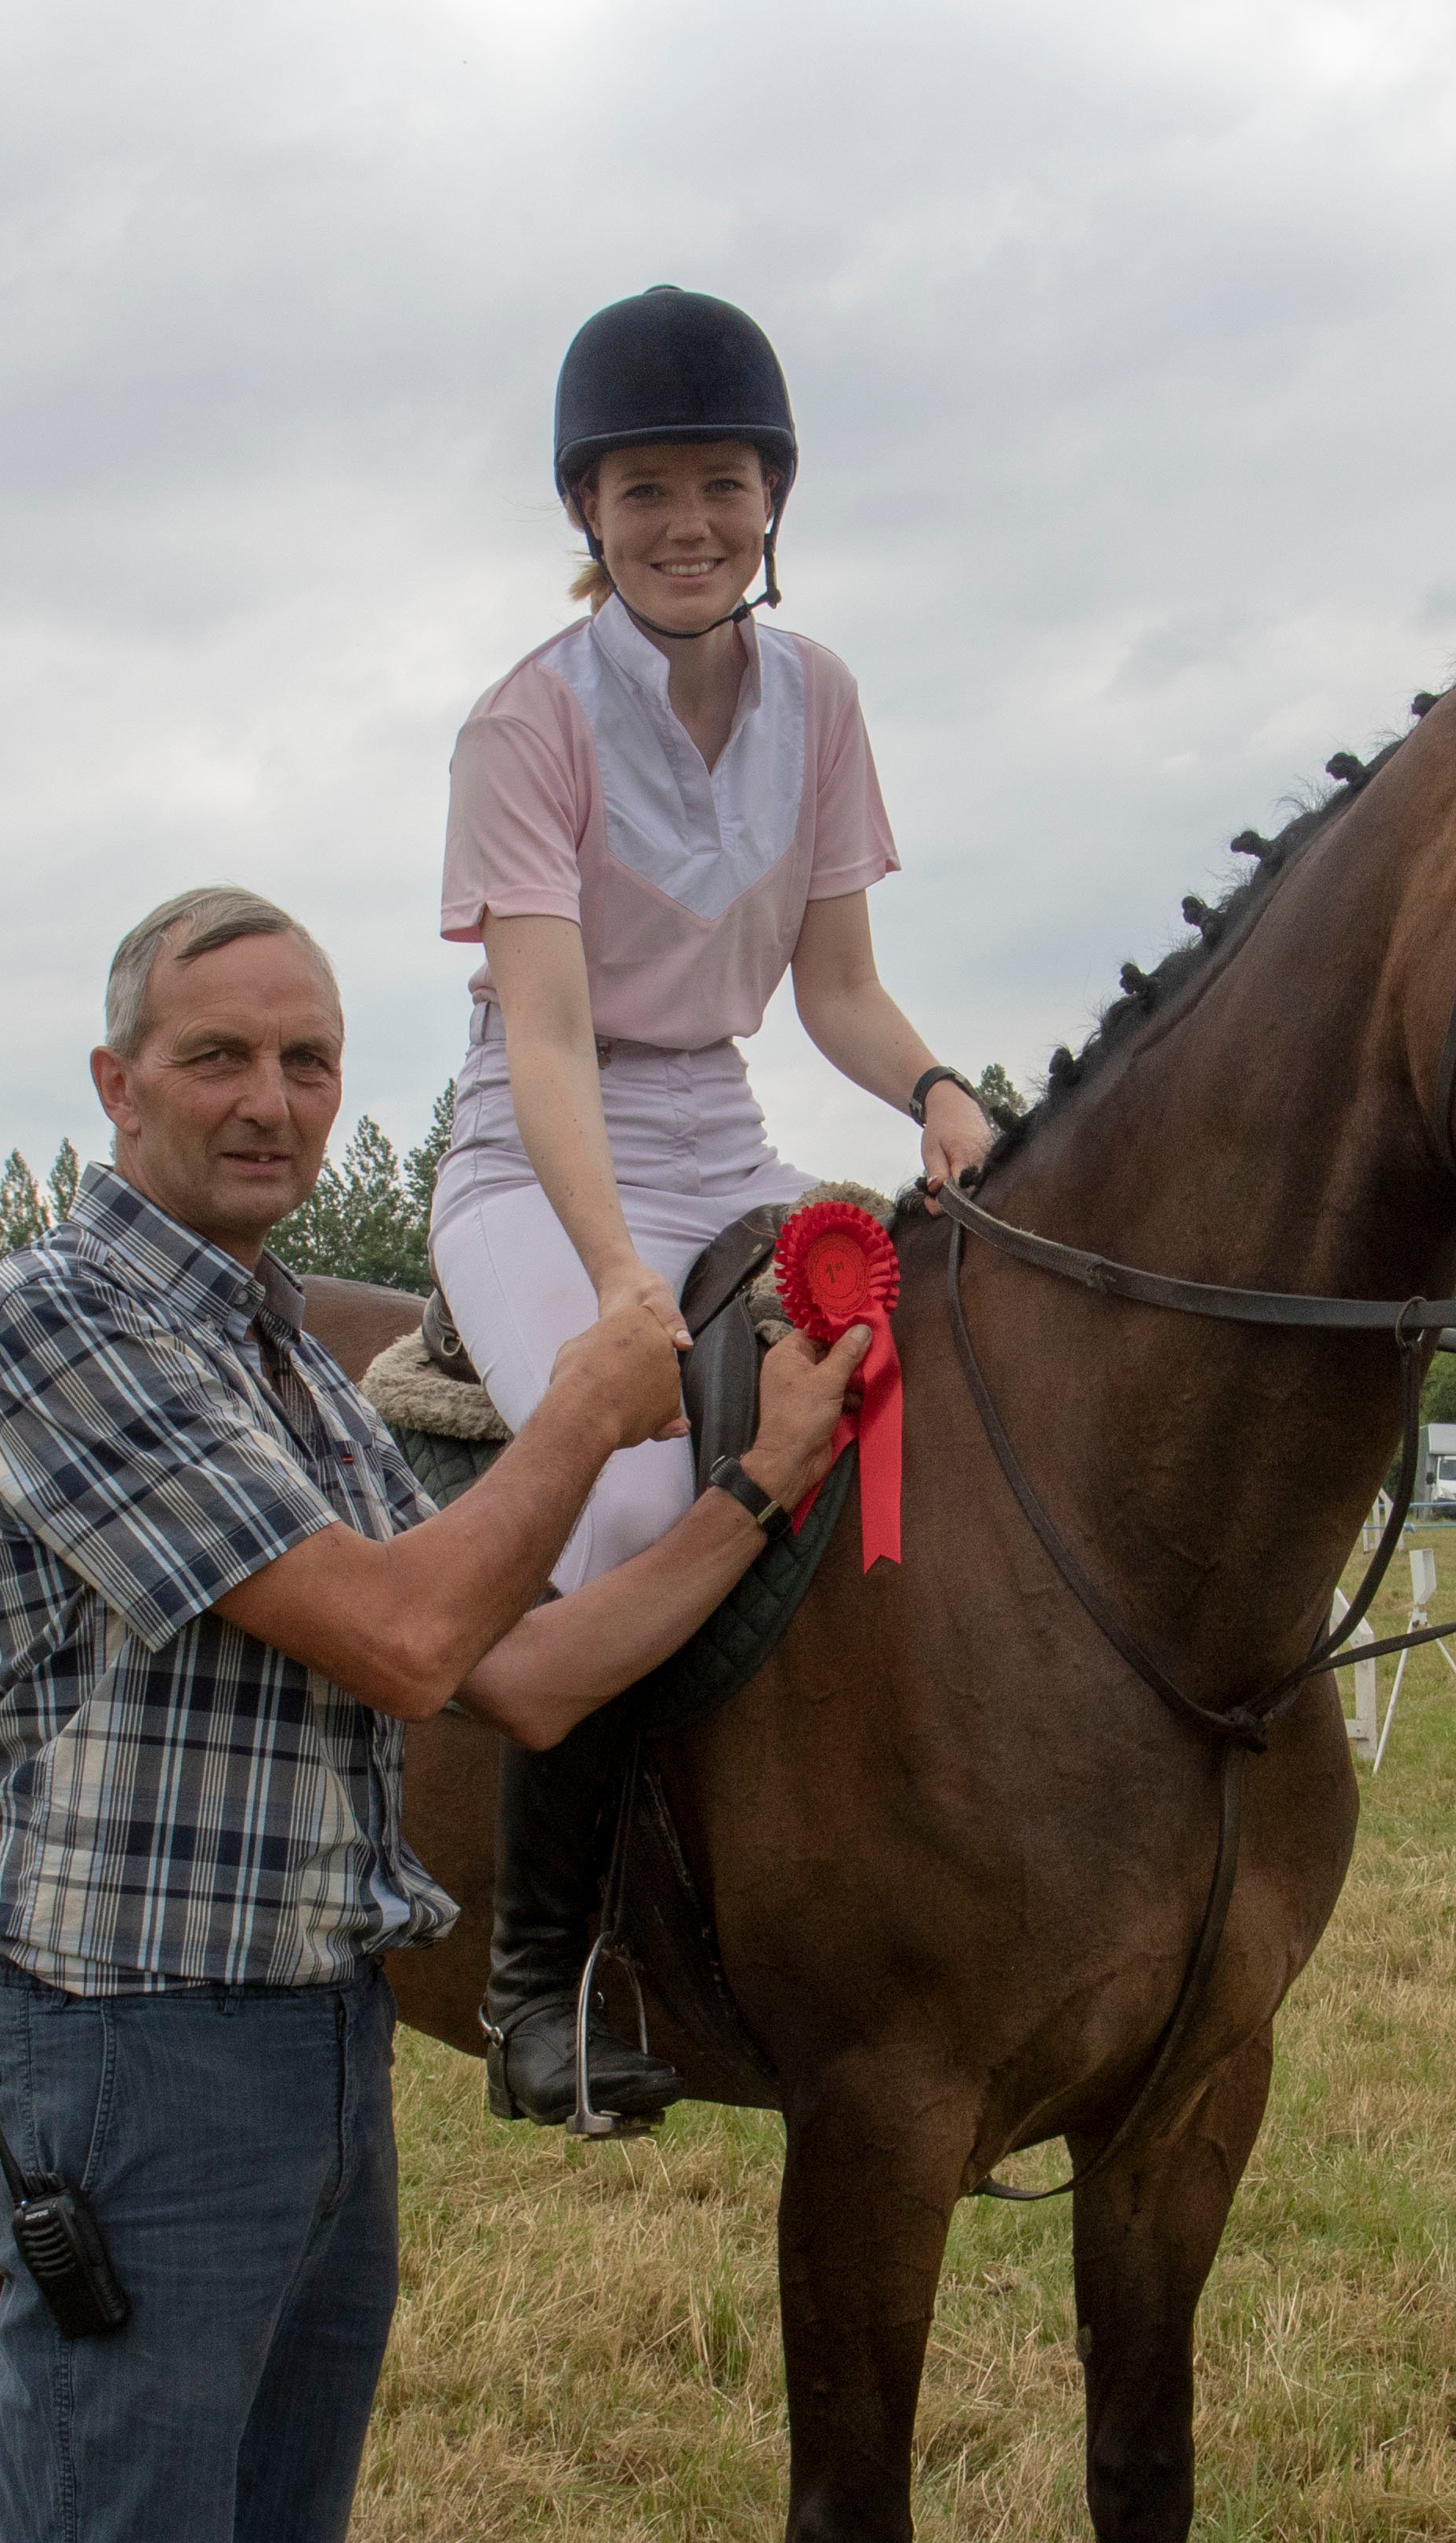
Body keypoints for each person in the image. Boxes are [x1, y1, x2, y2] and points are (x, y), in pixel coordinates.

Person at [0, 887, 871, 2543]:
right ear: (117, 1085)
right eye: (217, 1057)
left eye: (305, 1062)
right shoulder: (56, 1327)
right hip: (130, 2072)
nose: (266, 1100)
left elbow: (527, 1676)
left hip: (315, 2064)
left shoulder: (279, 1352)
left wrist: (758, 1481)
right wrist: (590, 1414)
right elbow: (408, 1637)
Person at [429, 283, 994, 2129]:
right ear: (586, 513)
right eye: (648, 488)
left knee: (903, 1405)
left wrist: (932, 1091)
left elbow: (832, 985)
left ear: (774, 498)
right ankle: (546, 1980)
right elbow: (550, 1036)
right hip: (536, 1148)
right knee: (638, 1490)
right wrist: (614, 1285)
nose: (689, 522)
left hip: (730, 1129)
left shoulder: (819, 696)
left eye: (724, 485)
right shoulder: (526, 724)